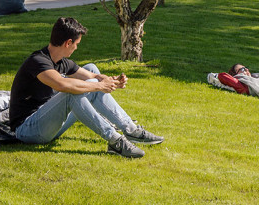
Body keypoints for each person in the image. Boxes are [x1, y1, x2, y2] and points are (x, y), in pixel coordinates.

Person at [10, 17, 163, 158]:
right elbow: (62, 84)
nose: (76, 48)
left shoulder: (61, 62)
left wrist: (110, 80)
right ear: (68, 43)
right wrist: (100, 86)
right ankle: (115, 140)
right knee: (72, 92)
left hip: (49, 124)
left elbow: (92, 76)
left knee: (92, 69)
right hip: (28, 129)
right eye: (76, 44)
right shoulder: (38, 61)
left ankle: (130, 129)